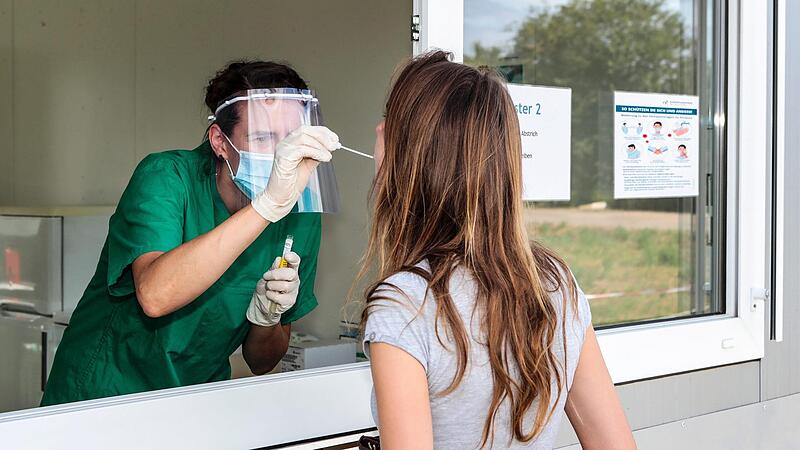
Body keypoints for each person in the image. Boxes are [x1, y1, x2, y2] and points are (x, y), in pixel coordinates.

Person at [360, 52, 636, 449]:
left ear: (415, 159)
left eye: (394, 121)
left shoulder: (403, 305)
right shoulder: (555, 284)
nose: (379, 128)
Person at [41, 61, 339, 406]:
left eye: (290, 138)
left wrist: (268, 318)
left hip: (194, 401)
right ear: (220, 142)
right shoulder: (166, 177)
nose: (281, 154)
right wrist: (266, 206)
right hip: (105, 393)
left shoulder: (299, 215)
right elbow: (155, 295)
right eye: (262, 137)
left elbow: (262, 361)